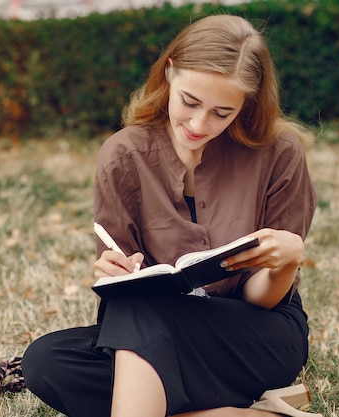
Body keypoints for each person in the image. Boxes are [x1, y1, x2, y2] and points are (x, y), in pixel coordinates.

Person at [22, 14, 320, 417]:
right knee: (47, 361)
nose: (199, 124)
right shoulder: (124, 156)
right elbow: (123, 298)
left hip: (256, 334)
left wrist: (287, 263)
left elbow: (262, 298)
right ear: (170, 73)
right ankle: (237, 413)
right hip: (159, 331)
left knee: (141, 312)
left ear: (245, 104)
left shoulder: (279, 153)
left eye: (222, 112)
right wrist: (114, 271)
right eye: (190, 102)